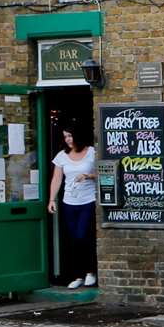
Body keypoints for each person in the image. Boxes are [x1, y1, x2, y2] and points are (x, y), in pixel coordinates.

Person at [47, 123, 97, 288]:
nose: (67, 139)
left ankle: (90, 271)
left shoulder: (91, 152)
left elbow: (104, 172)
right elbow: (57, 178)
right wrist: (52, 199)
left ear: (78, 135)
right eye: (65, 136)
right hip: (69, 201)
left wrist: (88, 176)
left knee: (83, 235)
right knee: (73, 239)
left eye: (70, 135)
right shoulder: (62, 155)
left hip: (88, 200)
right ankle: (77, 276)